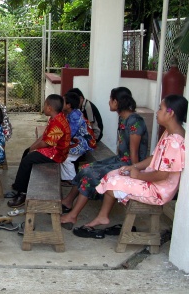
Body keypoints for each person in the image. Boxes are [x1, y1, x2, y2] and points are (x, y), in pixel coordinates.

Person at [73, 94, 187, 238]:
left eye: (160, 109)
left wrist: (139, 176)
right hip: (152, 179)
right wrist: (135, 167)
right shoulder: (169, 133)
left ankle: (103, 215)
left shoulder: (175, 142)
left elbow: (163, 175)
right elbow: (154, 158)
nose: (157, 112)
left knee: (112, 181)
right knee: (115, 173)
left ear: (170, 113)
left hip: (159, 190)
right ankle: (103, 215)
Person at [60, 87, 149, 229]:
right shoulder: (123, 118)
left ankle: (73, 215)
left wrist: (134, 173)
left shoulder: (135, 121)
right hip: (120, 159)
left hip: (130, 164)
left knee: (90, 175)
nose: (109, 103)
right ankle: (68, 201)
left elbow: (134, 154)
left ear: (116, 101)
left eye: (110, 99)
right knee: (86, 168)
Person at [6, 94, 71, 208]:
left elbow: (45, 143)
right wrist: (32, 147)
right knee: (27, 152)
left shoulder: (58, 123)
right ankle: (18, 186)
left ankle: (23, 194)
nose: (43, 107)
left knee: (27, 161)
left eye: (45, 105)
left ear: (49, 108)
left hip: (56, 154)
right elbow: (44, 136)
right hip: (52, 149)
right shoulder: (55, 117)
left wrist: (34, 149)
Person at [61, 92, 93, 185]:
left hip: (82, 143)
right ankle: (67, 178)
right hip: (78, 140)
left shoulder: (75, 116)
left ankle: (72, 179)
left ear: (69, 105)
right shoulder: (72, 113)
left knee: (64, 156)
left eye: (63, 101)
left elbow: (69, 133)